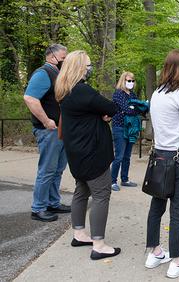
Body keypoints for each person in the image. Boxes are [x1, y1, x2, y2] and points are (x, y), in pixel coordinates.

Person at [55, 50, 120, 260]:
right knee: (101, 195)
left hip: (76, 152)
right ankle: (99, 244)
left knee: (81, 191)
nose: (90, 68)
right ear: (80, 67)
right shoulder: (83, 91)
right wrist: (104, 114)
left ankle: (79, 233)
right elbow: (112, 107)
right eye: (88, 65)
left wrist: (99, 114)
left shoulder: (65, 91)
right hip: (92, 153)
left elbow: (93, 112)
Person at [146, 50, 179, 278]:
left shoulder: (156, 93)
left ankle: (154, 252)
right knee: (178, 209)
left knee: (157, 205)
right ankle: (176, 261)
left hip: (159, 154)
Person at [23, 43, 71, 222]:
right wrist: (45, 120)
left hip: (60, 130)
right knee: (47, 170)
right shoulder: (43, 73)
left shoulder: (58, 74)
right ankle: (38, 208)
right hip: (48, 130)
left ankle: (53, 202)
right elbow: (29, 98)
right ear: (52, 57)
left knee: (57, 169)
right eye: (63, 58)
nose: (65, 61)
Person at [111, 71, 139, 191]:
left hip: (131, 128)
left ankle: (125, 179)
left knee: (127, 156)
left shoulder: (132, 95)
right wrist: (133, 108)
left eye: (132, 81)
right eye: (129, 80)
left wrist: (135, 108)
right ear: (123, 81)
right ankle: (112, 181)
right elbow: (127, 109)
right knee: (119, 156)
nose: (131, 83)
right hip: (119, 127)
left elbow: (139, 108)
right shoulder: (118, 94)